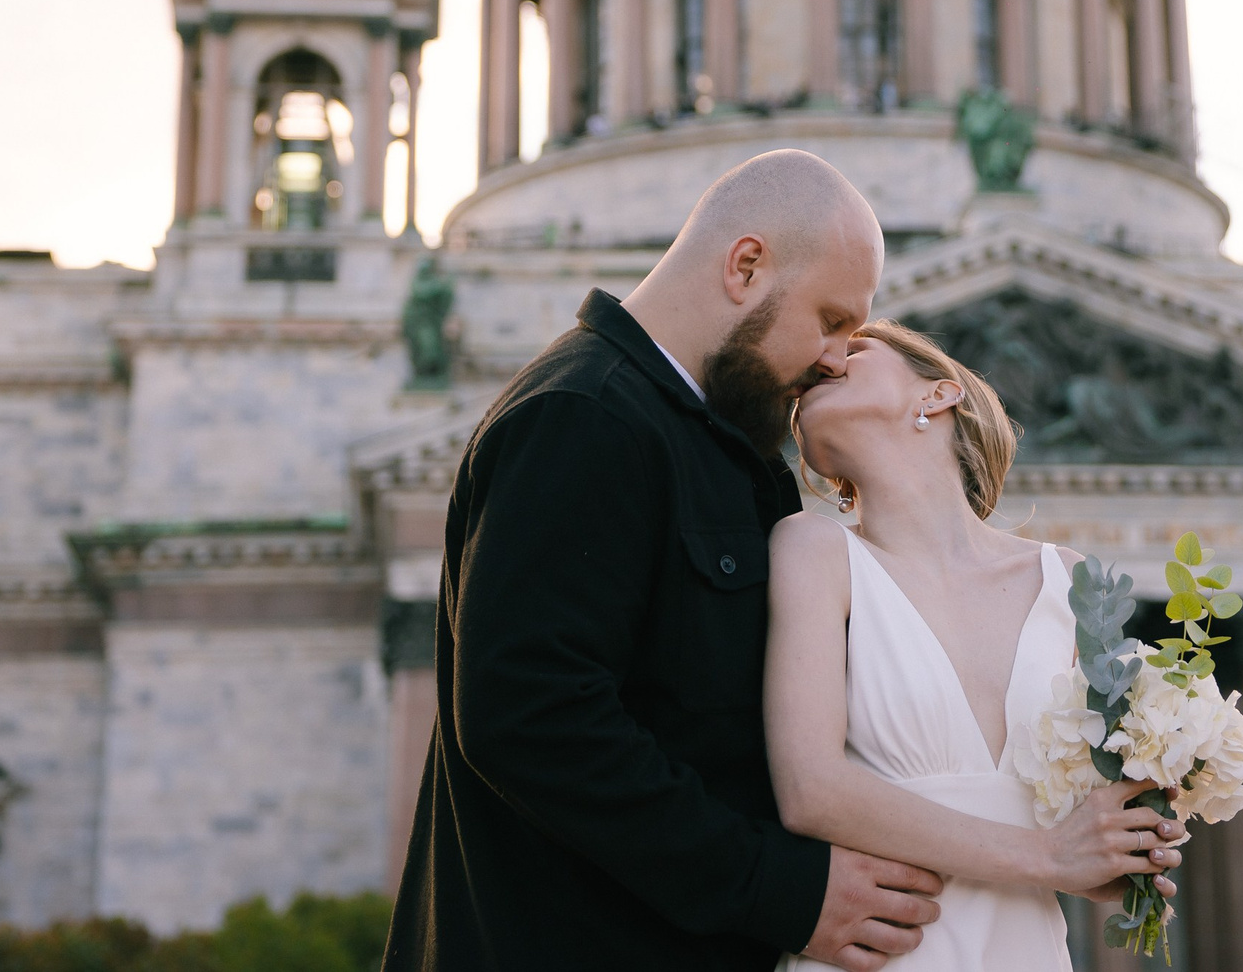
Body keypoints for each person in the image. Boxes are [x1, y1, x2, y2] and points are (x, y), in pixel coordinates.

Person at [386, 150, 949, 971]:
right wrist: (777, 889)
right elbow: (530, 717)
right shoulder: (583, 416)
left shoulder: (712, 436)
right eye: (831, 319)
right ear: (746, 265)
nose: (836, 357)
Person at [767, 322, 1187, 969]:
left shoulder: (1069, 579)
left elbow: (1087, 808)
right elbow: (810, 789)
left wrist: (1133, 836)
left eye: (853, 351)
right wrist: (1049, 857)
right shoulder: (814, 548)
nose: (822, 360)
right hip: (886, 949)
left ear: (938, 395)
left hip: (1023, 946)